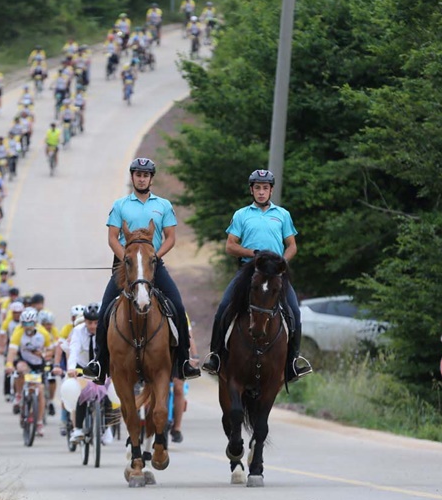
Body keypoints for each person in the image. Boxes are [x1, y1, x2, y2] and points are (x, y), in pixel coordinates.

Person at [82, 158, 202, 382]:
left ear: (151, 179)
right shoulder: (120, 205)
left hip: (153, 265)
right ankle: (99, 362)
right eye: (138, 174)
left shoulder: (164, 205)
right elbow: (112, 238)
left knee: (177, 305)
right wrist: (129, 261)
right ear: (132, 177)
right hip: (125, 266)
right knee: (106, 308)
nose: (141, 178)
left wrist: (153, 258)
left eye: (145, 175)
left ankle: (184, 362)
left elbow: (171, 238)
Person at [201, 170, 313, 383]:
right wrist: (252, 254)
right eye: (257, 188)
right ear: (252, 190)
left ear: (271, 190)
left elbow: (292, 246)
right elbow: (230, 246)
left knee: (294, 312)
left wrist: (282, 263)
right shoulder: (241, 215)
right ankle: (216, 356)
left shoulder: (282, 214)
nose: (261, 192)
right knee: (224, 307)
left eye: (265, 188)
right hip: (248, 271)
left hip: (275, 273)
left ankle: (292, 362)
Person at [57, 303, 113, 445]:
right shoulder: (77, 331)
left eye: (96, 323)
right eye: (89, 323)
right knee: (81, 393)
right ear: (85, 321)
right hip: (81, 366)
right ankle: (78, 429)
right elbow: (74, 350)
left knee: (107, 395)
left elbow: (111, 351)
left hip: (100, 366)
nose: (93, 326)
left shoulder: (106, 330)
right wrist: (71, 369)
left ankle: (106, 428)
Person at [5, 307, 54, 436]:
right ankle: (20, 395)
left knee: (40, 391)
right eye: (25, 324)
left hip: (39, 364)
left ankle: (39, 422)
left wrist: (44, 354)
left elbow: (50, 351)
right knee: (20, 369)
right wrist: (9, 364)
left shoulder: (43, 332)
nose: (28, 326)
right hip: (25, 361)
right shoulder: (18, 332)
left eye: (30, 323)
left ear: (35, 323)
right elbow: (12, 351)